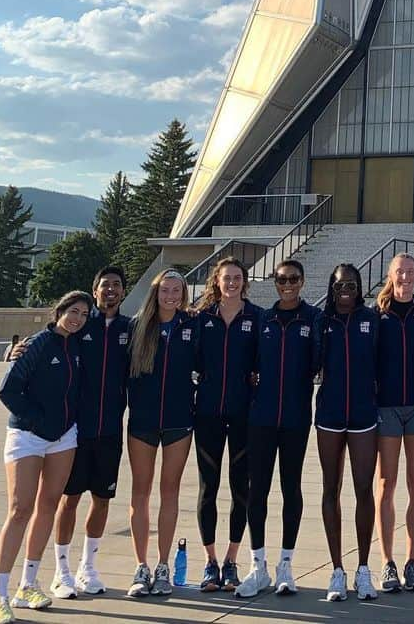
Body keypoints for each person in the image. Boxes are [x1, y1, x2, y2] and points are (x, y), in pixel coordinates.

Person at [0, 290, 91, 624]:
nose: (77, 319)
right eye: (72, 311)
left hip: (63, 437)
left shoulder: (76, 346)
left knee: (49, 506)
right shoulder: (37, 344)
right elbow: (8, 390)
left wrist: (64, 423)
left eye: (83, 314)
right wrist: (35, 420)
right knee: (20, 510)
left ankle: (28, 585)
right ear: (59, 311)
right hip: (27, 437)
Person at [235, 258, 319, 599]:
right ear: (274, 281)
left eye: (293, 278)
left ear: (302, 281)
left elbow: (318, 362)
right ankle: (259, 565)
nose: (287, 284)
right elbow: (247, 362)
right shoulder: (261, 319)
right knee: (257, 491)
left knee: (291, 489)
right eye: (282, 278)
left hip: (296, 418)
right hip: (262, 419)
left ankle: (286, 564)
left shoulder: (313, 319)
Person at [50, 265, 132, 599]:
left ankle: (88, 566)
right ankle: (62, 569)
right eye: (104, 285)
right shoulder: (81, 325)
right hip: (76, 431)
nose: (110, 290)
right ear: (94, 290)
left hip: (110, 431)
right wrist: (19, 349)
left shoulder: (132, 327)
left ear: (123, 291)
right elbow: (50, 340)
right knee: (69, 500)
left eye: (116, 285)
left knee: (101, 499)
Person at [125, 268, 198, 600]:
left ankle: (164, 565)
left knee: (170, 492)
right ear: (155, 293)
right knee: (140, 492)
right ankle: (141, 565)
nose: (171, 296)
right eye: (165, 290)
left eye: (177, 290)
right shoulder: (137, 327)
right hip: (142, 422)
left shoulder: (192, 326)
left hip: (179, 421)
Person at [192, 256, 261, 592]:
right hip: (207, 414)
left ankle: (232, 560)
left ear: (244, 282)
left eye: (237, 278)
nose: (231, 283)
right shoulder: (202, 318)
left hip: (243, 415)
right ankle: (210, 561)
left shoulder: (257, 317)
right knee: (208, 488)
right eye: (226, 278)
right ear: (216, 282)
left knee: (240, 488)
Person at [313, 263, 379, 603]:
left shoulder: (372, 319)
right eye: (340, 285)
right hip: (329, 414)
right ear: (332, 286)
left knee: (364, 488)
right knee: (330, 488)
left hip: (365, 414)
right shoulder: (321, 322)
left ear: (359, 286)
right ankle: (337, 569)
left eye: (351, 285)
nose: (346, 290)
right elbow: (306, 363)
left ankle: (364, 568)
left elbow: (384, 363)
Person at [374, 253, 414, 594]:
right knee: (386, 481)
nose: (406, 277)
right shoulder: (379, 314)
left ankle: (411, 561)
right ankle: (387, 562)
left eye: (411, 271)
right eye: (400, 272)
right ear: (390, 274)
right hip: (388, 407)